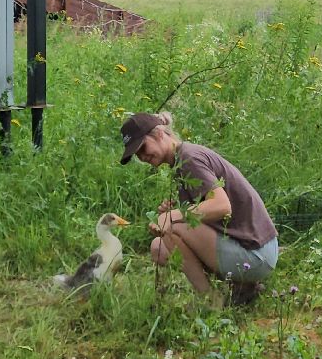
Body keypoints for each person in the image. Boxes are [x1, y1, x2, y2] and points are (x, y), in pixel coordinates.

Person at [118, 111, 278, 305]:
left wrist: (174, 216)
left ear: (159, 134)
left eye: (143, 147)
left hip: (257, 254)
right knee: (159, 247)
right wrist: (171, 213)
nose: (142, 156)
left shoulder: (189, 158)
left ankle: (211, 302)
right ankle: (242, 287)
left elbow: (222, 206)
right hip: (249, 249)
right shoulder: (180, 160)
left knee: (172, 226)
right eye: (137, 154)